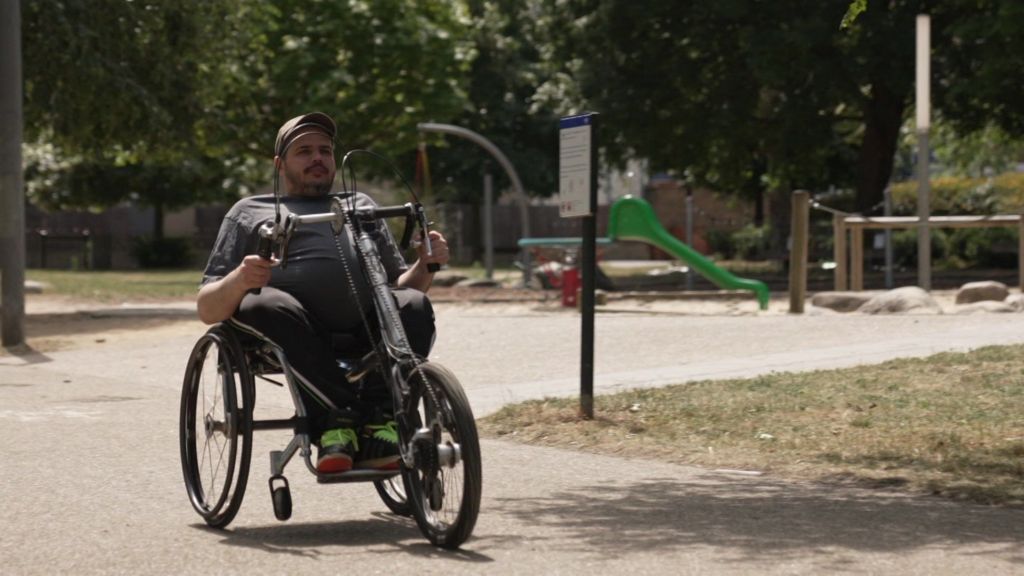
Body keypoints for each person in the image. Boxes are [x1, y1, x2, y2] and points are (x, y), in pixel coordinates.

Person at [197, 112, 450, 473]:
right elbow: (207, 308)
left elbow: (398, 289)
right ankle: (341, 418)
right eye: (304, 151)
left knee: (414, 304)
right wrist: (240, 278)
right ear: (280, 164)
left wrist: (425, 265)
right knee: (262, 302)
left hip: (364, 326)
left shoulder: (361, 205)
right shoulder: (249, 212)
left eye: (325, 151)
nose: (318, 158)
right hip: (287, 326)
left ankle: (378, 421)